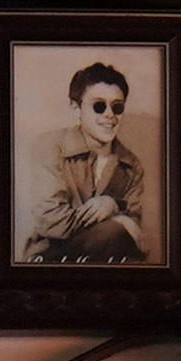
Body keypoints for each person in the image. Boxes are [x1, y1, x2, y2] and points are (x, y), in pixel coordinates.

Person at [24, 60, 150, 267]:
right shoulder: (50, 146)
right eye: (99, 106)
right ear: (76, 108)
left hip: (105, 265)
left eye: (117, 107)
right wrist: (118, 215)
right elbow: (52, 223)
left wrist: (114, 206)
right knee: (115, 231)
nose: (109, 115)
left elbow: (135, 235)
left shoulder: (131, 164)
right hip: (48, 261)